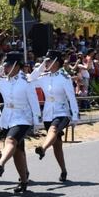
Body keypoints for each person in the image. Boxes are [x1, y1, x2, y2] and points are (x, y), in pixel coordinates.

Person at [0, 51, 42, 193]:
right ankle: (24, 181)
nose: (5, 68)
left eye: (8, 65)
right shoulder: (3, 82)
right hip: (8, 118)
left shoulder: (26, 82)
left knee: (10, 140)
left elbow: (34, 102)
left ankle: (0, 164)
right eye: (4, 66)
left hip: (23, 118)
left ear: (16, 66)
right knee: (17, 150)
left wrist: (37, 122)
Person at [28, 50, 79, 183]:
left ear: (56, 62)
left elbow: (71, 97)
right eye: (46, 61)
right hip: (48, 113)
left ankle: (43, 148)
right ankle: (63, 170)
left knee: (54, 130)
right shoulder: (44, 77)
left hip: (62, 112)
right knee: (57, 145)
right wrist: (40, 66)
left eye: (49, 61)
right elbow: (30, 79)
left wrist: (75, 116)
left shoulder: (64, 77)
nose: (47, 63)